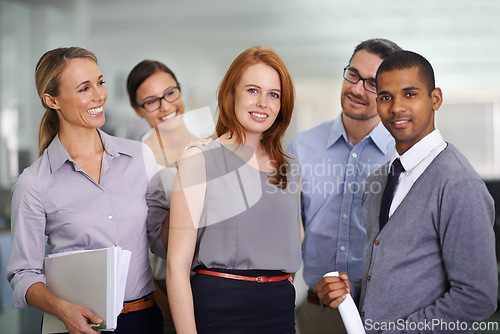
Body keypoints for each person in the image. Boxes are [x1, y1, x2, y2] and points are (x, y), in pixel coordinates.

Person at [317, 50, 498, 333]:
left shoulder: (459, 184)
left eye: (410, 94)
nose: (396, 107)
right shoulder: (378, 181)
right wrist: (349, 292)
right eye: (386, 97)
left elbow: (476, 299)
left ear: (435, 98)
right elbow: (397, 274)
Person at [7, 47, 169, 334]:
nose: (99, 95)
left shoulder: (139, 157)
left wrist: (193, 194)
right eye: (84, 88)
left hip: (144, 320)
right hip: (78, 326)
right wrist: (62, 310)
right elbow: (23, 275)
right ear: (51, 100)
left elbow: (160, 240)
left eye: (100, 82)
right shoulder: (34, 183)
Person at [166, 46, 303, 333]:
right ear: (232, 94)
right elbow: (176, 267)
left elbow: (296, 234)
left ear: (282, 104)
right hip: (221, 310)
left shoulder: (289, 168)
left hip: (278, 310)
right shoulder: (200, 159)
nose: (263, 103)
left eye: (273, 94)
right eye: (253, 90)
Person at [287, 38, 401, 333]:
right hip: (319, 314)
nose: (356, 89)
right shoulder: (302, 148)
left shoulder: (403, 154)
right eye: (353, 74)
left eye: (372, 84)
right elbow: (286, 233)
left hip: (387, 315)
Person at [127, 59, 200, 334]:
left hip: (216, 281)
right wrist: (164, 302)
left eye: (171, 93)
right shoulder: (136, 162)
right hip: (165, 287)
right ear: (137, 110)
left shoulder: (214, 141)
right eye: (151, 101)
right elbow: (131, 245)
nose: (167, 106)